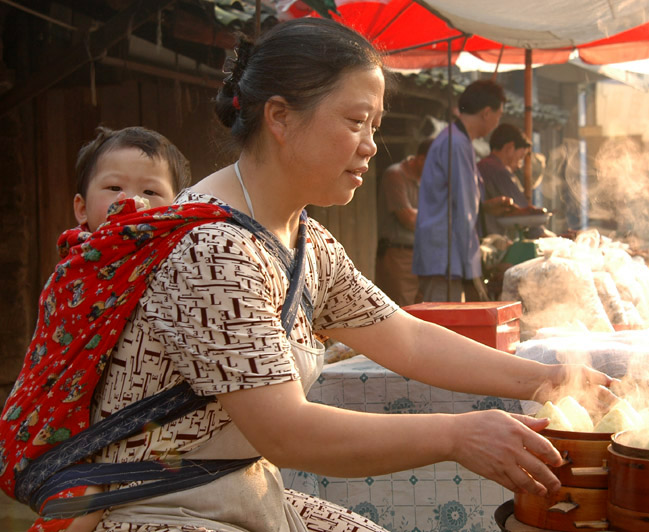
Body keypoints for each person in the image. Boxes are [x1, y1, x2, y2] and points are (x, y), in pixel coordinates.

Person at [0, 19, 615, 532]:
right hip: (154, 506)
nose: (371, 145)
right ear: (280, 116)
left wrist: (550, 379)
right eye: (355, 121)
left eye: (374, 125)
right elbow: (288, 432)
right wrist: (459, 435)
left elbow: (401, 336)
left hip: (241, 495)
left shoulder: (306, 241)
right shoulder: (211, 249)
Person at [20, 125, 191, 532]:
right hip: (73, 431)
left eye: (151, 192)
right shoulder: (73, 271)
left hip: (149, 429)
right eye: (113, 187)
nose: (131, 200)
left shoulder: (181, 260)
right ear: (81, 208)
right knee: (85, 503)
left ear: (176, 205)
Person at [413, 80, 516, 302]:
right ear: (487, 113)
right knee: (443, 324)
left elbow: (461, 199)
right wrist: (474, 268)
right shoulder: (456, 142)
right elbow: (464, 207)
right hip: (445, 254)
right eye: (499, 115)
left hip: (447, 252)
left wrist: (487, 206)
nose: (498, 121)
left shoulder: (460, 140)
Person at [375, 137, 433, 306]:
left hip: (421, 255)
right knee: (401, 308)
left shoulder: (427, 180)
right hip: (399, 254)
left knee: (423, 310)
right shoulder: (395, 175)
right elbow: (409, 219)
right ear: (421, 159)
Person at [478, 123, 546, 236]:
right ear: (509, 148)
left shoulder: (483, 165)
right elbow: (526, 216)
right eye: (520, 158)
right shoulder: (499, 171)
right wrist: (558, 239)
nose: (519, 166)